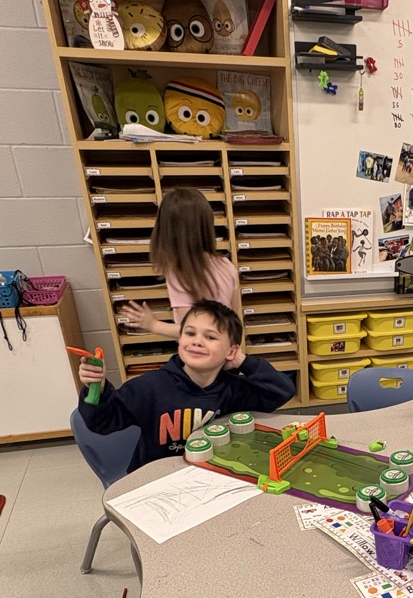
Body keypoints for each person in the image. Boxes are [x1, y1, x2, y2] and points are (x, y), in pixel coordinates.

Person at [77, 300, 294, 472]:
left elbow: (282, 391)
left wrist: (243, 362)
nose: (197, 341)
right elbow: (101, 423)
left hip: (214, 475)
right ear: (180, 340)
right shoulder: (150, 387)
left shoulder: (234, 390)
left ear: (231, 351)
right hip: (157, 480)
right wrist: (96, 387)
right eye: (190, 333)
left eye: (210, 337)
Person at [119, 189, 240, 341]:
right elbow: (234, 319)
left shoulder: (180, 274)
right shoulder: (226, 264)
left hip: (202, 357)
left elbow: (191, 331)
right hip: (225, 350)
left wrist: (152, 324)